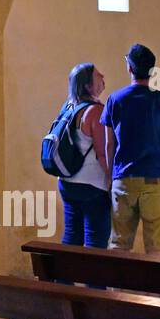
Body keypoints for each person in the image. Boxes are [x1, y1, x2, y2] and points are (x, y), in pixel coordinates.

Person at [102, 43, 160, 253]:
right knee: (157, 248)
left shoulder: (114, 99)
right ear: (152, 71)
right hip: (154, 180)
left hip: (124, 180)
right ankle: (155, 286)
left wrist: (109, 178)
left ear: (129, 68)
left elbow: (109, 144)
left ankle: (116, 287)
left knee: (119, 246)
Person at [58, 63, 111, 248]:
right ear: (88, 85)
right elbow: (103, 152)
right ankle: (93, 277)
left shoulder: (69, 106)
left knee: (72, 237)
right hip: (92, 185)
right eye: (98, 75)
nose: (103, 75)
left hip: (67, 181)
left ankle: (62, 277)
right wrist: (112, 181)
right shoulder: (96, 111)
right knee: (96, 242)